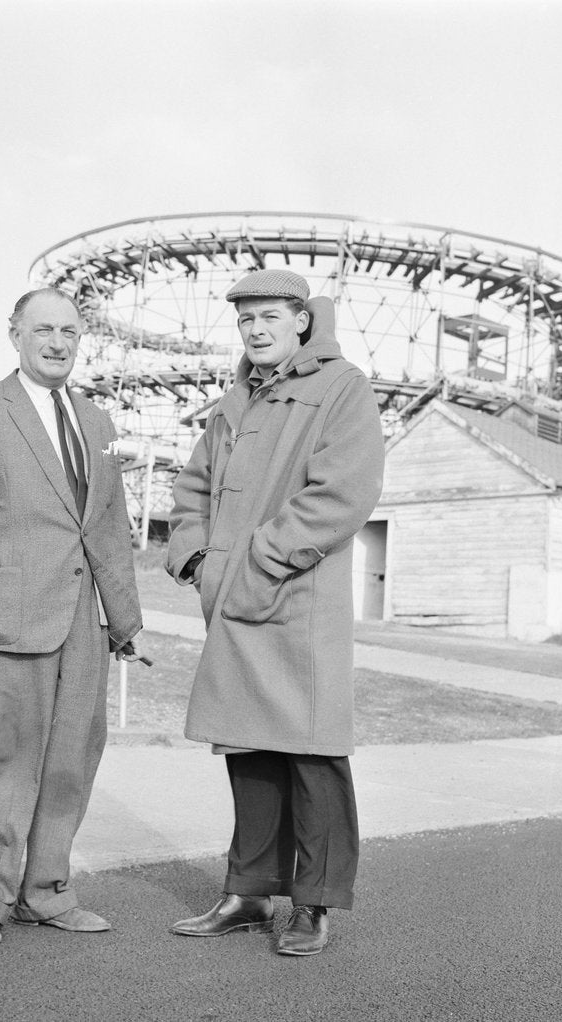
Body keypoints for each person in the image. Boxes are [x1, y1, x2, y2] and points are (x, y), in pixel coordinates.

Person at [165, 268, 384, 956]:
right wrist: (197, 557)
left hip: (298, 598)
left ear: (302, 320)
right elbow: (192, 487)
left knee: (313, 753)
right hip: (233, 597)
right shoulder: (236, 399)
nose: (255, 329)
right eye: (245, 319)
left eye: (268, 317)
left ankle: (315, 903)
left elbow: (343, 494)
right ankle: (251, 893)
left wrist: (260, 560)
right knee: (248, 745)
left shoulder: (341, 387)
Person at [0, 287, 144, 947]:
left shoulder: (96, 423)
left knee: (73, 757)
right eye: (43, 329)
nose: (56, 342)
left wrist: (125, 621)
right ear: (14, 333)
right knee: (3, 758)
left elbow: (108, 527)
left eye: (69, 332)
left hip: (81, 620)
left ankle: (46, 893)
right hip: (4, 615)